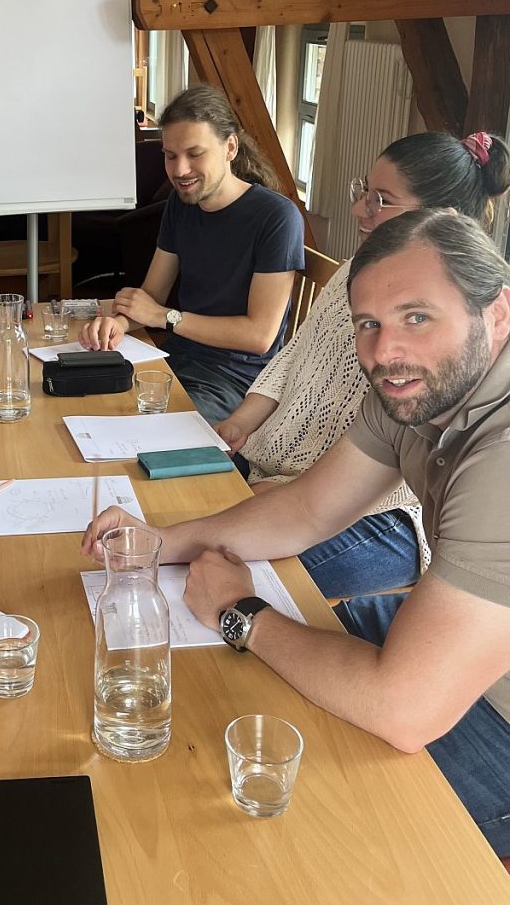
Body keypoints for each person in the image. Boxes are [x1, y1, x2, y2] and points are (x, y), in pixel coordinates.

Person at [84, 208, 510, 859]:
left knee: (290, 827)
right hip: (458, 635)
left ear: (497, 314)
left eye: (417, 317)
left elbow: (403, 708)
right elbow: (309, 509)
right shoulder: (415, 388)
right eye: (369, 324)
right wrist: (162, 542)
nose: (385, 351)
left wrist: (239, 611)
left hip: (495, 714)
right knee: (228, 712)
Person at [215, 131, 510, 598]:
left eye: (382, 200)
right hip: (292, 486)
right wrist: (242, 421)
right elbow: (295, 353)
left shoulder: (457, 333)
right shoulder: (358, 274)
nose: (359, 209)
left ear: (440, 219)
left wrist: (293, 493)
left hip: (382, 518)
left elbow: (382, 466)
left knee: (245, 587)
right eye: (364, 191)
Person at [80, 84, 305, 423]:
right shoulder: (180, 204)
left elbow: (259, 337)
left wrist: (165, 317)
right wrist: (120, 323)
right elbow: (152, 295)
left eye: (194, 153)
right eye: (170, 155)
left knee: (139, 430)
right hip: (173, 360)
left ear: (230, 148)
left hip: (236, 384)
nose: (180, 170)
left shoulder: (276, 217)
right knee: (75, 399)